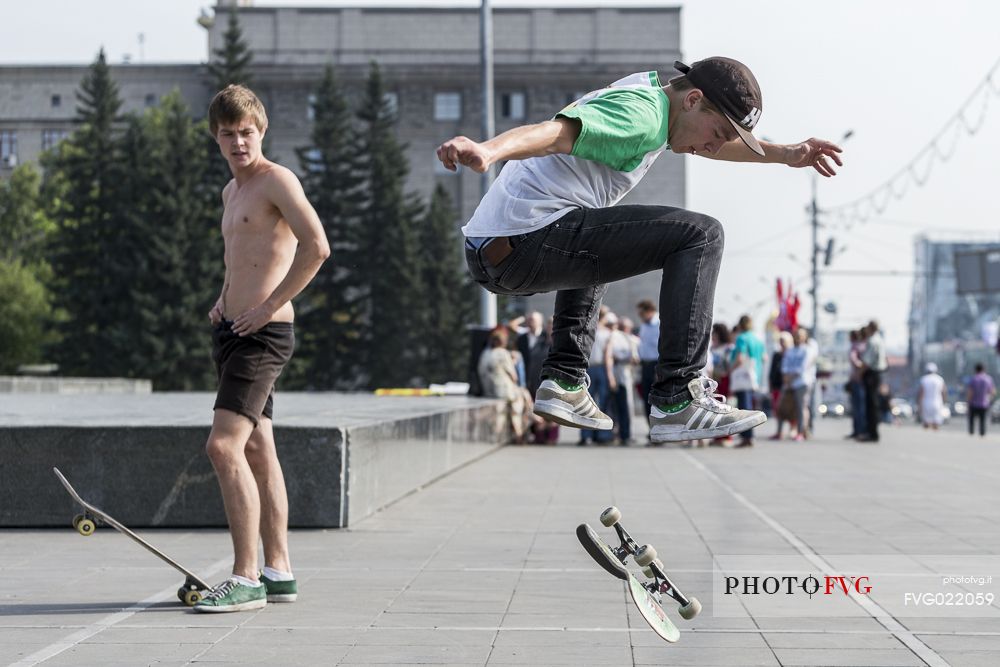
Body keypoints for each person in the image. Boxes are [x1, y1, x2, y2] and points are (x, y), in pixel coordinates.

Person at [438, 57, 844, 443]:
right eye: (716, 135)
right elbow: (554, 133)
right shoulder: (642, 117)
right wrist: (490, 150)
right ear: (693, 100)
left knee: (604, 233)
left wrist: (786, 154)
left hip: (503, 249)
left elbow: (719, 142)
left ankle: (563, 381)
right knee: (701, 235)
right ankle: (677, 398)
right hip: (527, 243)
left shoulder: (659, 103)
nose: (712, 149)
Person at [198, 85, 330, 612]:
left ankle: (245, 576)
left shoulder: (278, 181)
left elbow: (317, 247)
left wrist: (268, 305)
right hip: (232, 331)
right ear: (217, 138)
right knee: (257, 448)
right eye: (227, 135)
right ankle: (279, 571)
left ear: (262, 130)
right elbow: (244, 259)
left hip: (264, 334)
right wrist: (223, 299)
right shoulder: (232, 193)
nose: (238, 142)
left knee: (223, 446)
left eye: (246, 132)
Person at [478, 327, 527, 443]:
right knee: (508, 413)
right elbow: (513, 375)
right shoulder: (503, 353)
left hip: (489, 389)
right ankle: (516, 435)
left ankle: (495, 435)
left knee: (496, 414)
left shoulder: (485, 353)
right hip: (504, 390)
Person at [729, 315, 766, 446]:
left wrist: (731, 369)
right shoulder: (758, 339)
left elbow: (740, 358)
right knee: (749, 404)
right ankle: (748, 435)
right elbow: (764, 358)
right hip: (754, 375)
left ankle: (747, 436)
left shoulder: (742, 338)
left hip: (742, 376)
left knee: (744, 407)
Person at [858, 320, 888, 442]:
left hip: (871, 373)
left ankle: (872, 433)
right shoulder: (879, 339)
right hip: (878, 373)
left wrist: (860, 374)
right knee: (872, 403)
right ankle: (871, 432)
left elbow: (867, 361)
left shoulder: (872, 341)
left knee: (871, 404)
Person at [635, 299, 660, 425]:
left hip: (656, 365)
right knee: (646, 398)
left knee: (656, 399)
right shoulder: (644, 326)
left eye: (641, 314)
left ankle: (658, 428)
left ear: (649, 311)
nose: (640, 317)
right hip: (645, 366)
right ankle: (650, 429)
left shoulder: (659, 325)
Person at [768, 331, 794, 439]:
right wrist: (770, 385)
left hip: (788, 387)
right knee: (778, 410)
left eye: (784, 341)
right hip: (776, 386)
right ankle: (779, 431)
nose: (782, 343)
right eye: (781, 341)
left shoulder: (792, 354)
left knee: (790, 409)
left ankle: (793, 429)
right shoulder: (776, 354)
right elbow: (772, 371)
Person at [966, 363, 996, 436]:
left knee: (971, 419)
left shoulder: (973, 379)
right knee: (982, 420)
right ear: (983, 369)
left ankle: (971, 432)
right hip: (984, 403)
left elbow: (970, 392)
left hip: (973, 403)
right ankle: (982, 434)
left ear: (975, 370)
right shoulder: (988, 379)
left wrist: (968, 402)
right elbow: (993, 392)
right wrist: (989, 398)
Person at [917, 362, 947, 430]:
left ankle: (927, 438)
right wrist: (944, 402)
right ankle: (935, 437)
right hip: (938, 402)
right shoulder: (940, 379)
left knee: (926, 422)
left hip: (926, 402)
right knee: (936, 422)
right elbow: (944, 392)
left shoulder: (924, 379)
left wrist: (919, 405)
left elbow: (921, 393)